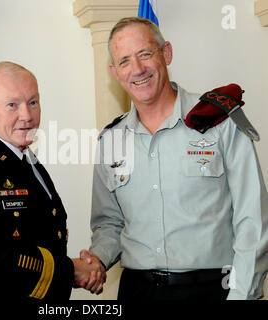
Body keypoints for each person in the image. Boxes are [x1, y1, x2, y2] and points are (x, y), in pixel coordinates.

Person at [80, 17, 268, 300]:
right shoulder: (111, 140)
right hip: (137, 291)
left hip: (212, 289)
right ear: (115, 72)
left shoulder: (219, 122)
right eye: (125, 61)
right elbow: (109, 224)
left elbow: (253, 221)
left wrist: (242, 295)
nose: (138, 69)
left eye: (145, 54)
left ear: (166, 53)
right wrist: (96, 261)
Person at [0, 61, 104, 300]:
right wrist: (70, 270)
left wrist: (76, 271)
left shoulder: (29, 162)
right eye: (12, 105)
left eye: (33, 102)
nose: (27, 115)